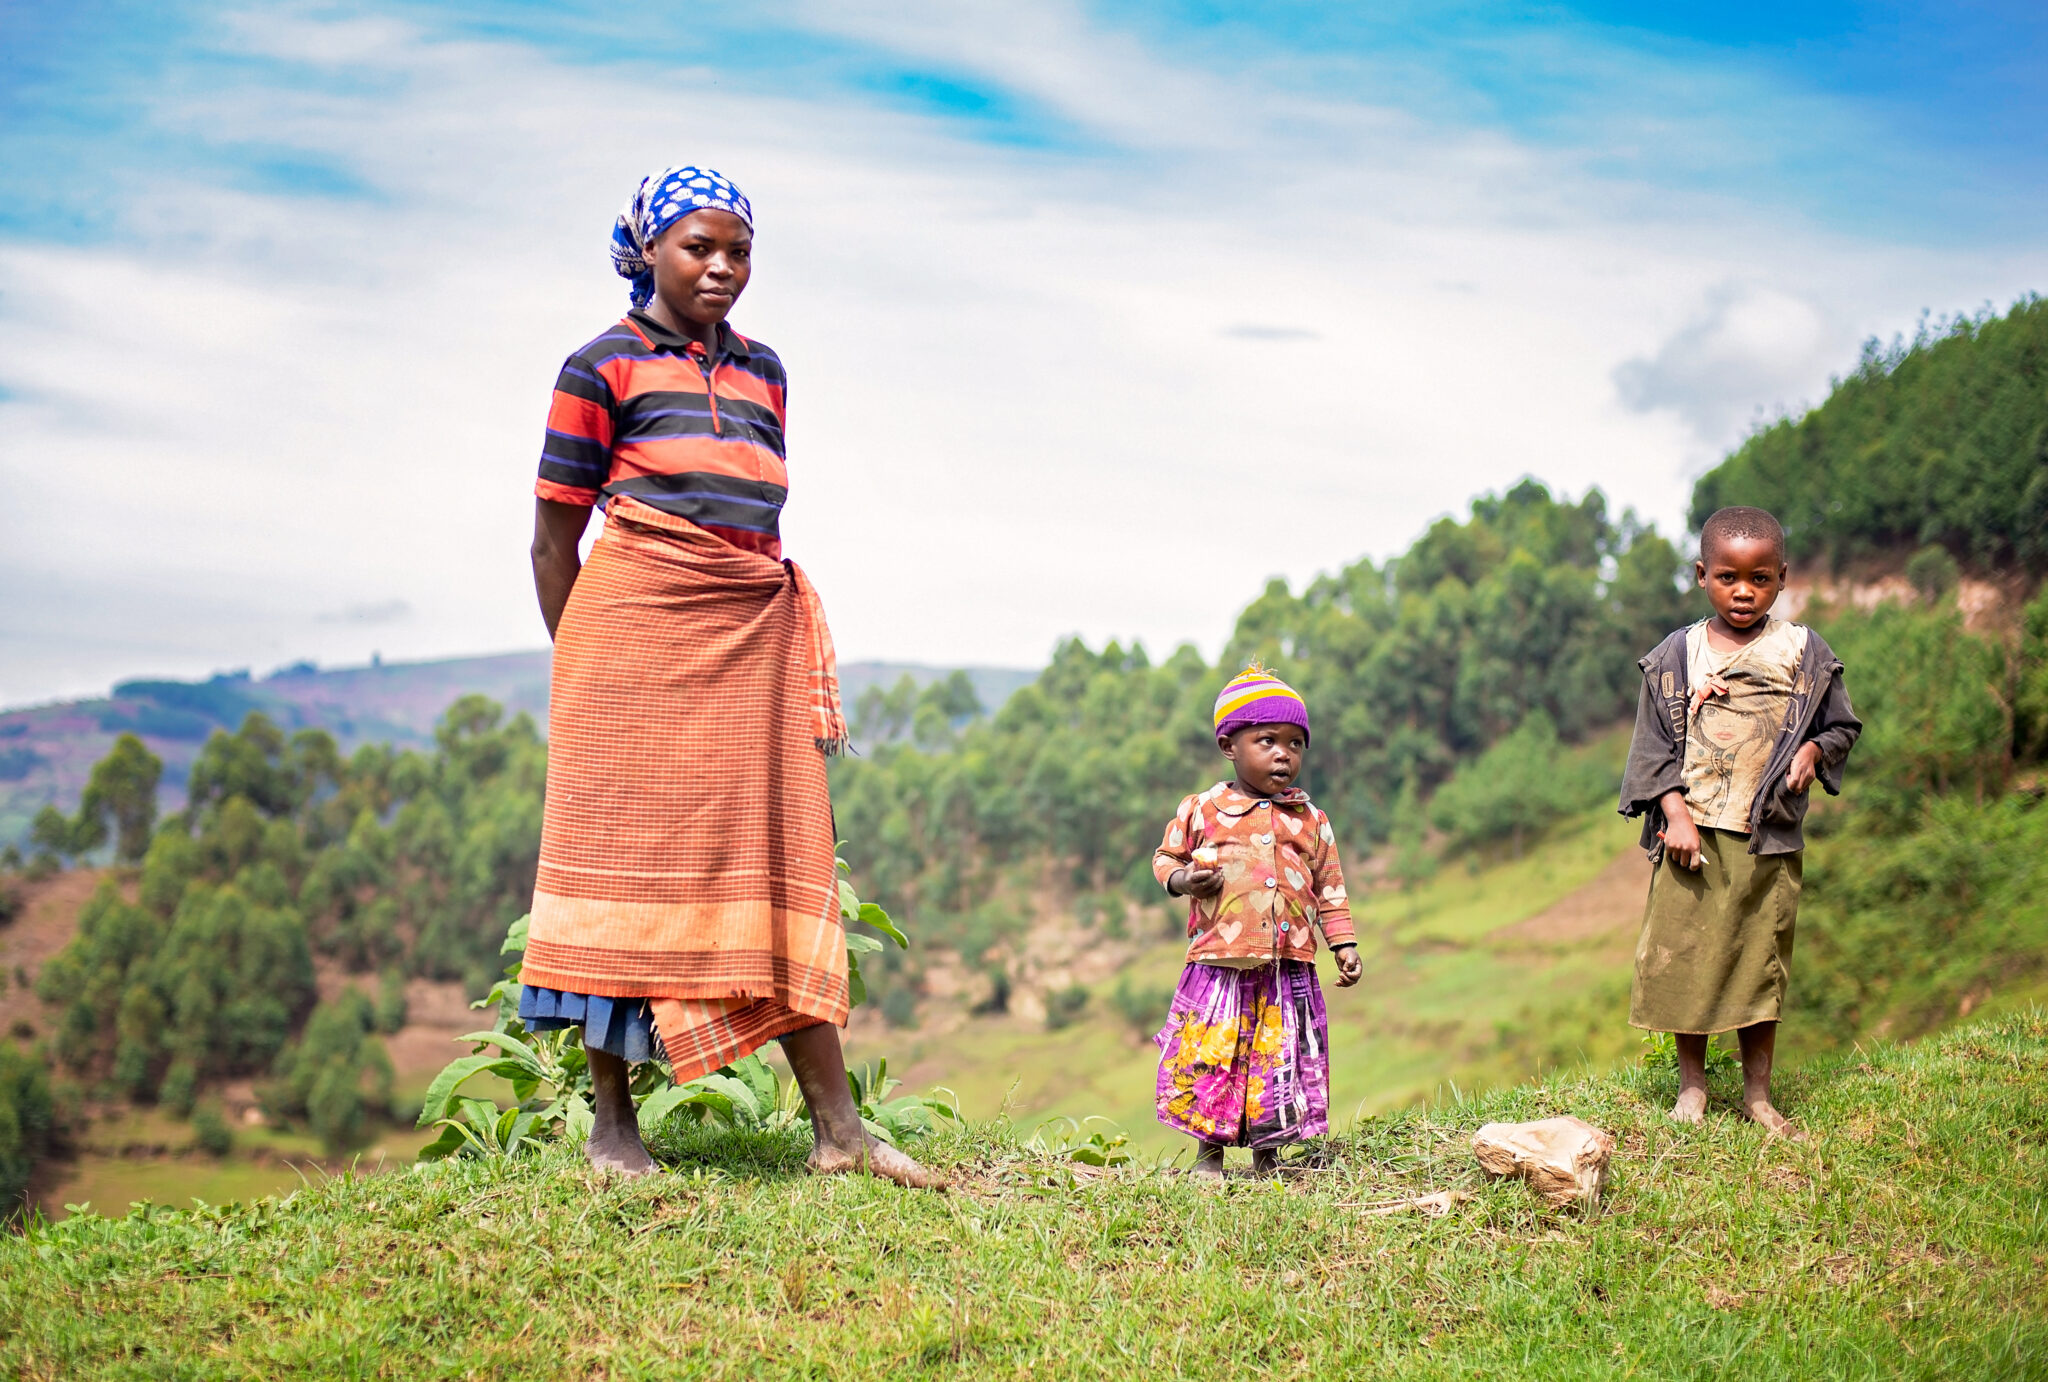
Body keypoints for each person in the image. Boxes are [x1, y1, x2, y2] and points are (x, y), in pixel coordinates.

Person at [522, 165, 940, 1187]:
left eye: (738, 250)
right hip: (628, 642)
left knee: (772, 858)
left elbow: (759, 521)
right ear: (649, 252)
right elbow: (552, 537)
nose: (720, 266)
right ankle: (612, 1130)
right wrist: (587, 667)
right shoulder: (599, 368)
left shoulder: (765, 372)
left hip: (746, 641)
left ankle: (840, 1134)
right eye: (697, 247)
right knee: (621, 868)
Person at [1618, 505, 1861, 1138]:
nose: (1744, 591)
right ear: (1703, 575)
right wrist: (1674, 814)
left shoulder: (1803, 651)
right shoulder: (1677, 656)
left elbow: (1841, 725)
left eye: (1760, 578)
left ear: (1783, 577)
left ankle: (1758, 1096)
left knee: (1760, 963)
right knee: (1686, 959)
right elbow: (1652, 749)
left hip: (1765, 840)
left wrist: (1813, 751)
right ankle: (1692, 1087)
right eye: (1728, 577)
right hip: (1691, 838)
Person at [1150, 664, 1363, 1177]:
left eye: (1295, 744)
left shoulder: (1311, 820)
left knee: (1277, 1061)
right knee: (1214, 1057)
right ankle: (1209, 1157)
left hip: (1287, 968)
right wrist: (1184, 881)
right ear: (1230, 745)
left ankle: (1268, 1158)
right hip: (1220, 965)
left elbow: (1330, 887)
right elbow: (1165, 858)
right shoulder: (1202, 810)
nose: (1283, 754)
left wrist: (1343, 945)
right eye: (1267, 740)